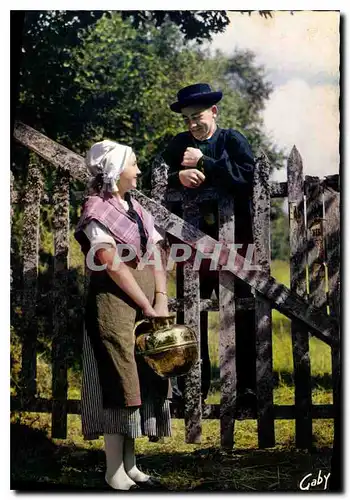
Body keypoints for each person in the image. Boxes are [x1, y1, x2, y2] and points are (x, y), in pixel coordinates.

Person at [75, 140, 172, 491]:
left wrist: (160, 298)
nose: (140, 171)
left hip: (145, 306)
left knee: (141, 380)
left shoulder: (136, 208)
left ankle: (130, 464)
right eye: (134, 164)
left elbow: (157, 253)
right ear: (117, 172)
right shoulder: (96, 209)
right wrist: (146, 305)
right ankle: (112, 470)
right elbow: (110, 262)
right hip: (113, 307)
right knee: (119, 381)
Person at [161, 83, 256, 411]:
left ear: (213, 112)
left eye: (197, 116)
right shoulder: (178, 144)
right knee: (191, 313)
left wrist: (206, 162)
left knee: (242, 312)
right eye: (187, 119)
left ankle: (246, 392)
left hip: (237, 243)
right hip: (192, 247)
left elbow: (247, 181)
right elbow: (154, 179)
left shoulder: (232, 140)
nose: (192, 124)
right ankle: (191, 391)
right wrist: (179, 176)